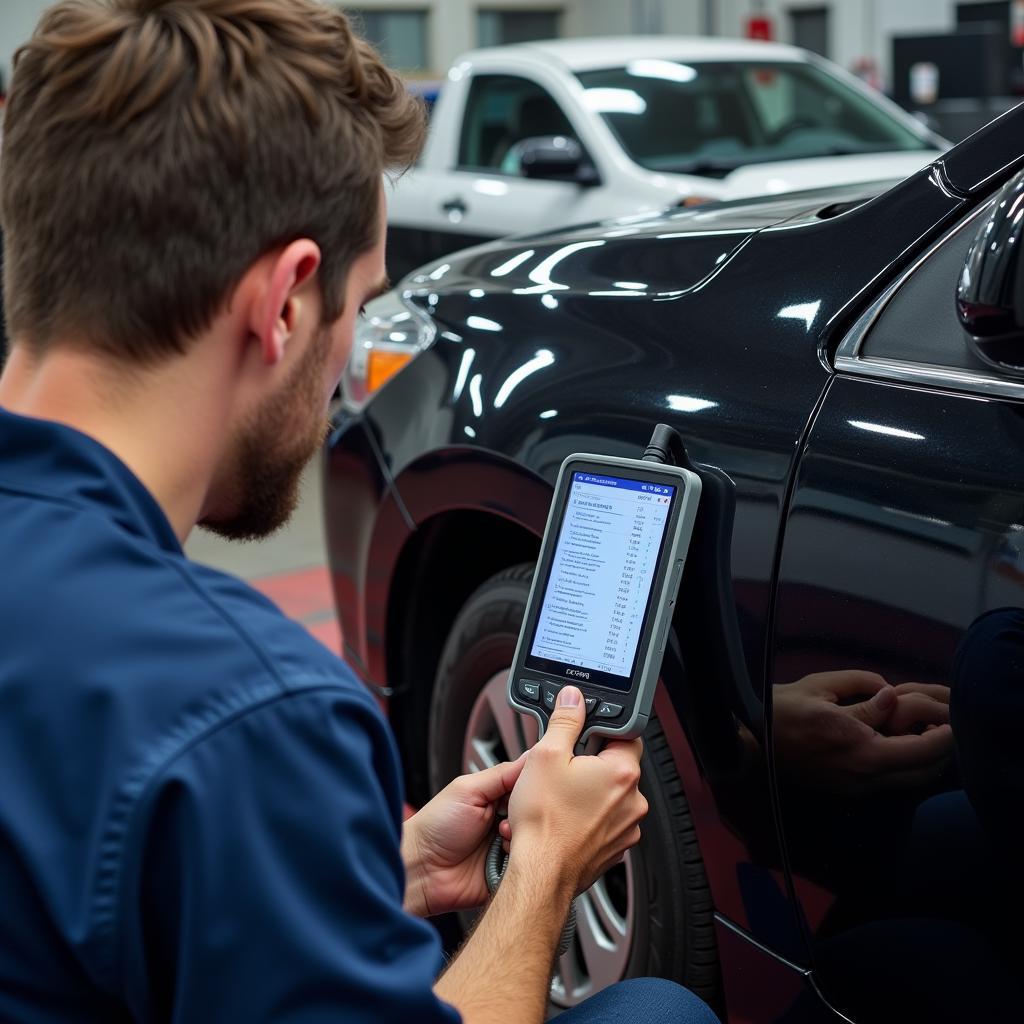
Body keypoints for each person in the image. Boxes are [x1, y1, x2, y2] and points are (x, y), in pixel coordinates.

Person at [0, 2, 719, 1023]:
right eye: (359, 304)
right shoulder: (247, 708)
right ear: (287, 302)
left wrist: (385, 876)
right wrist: (544, 873)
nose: (346, 366)